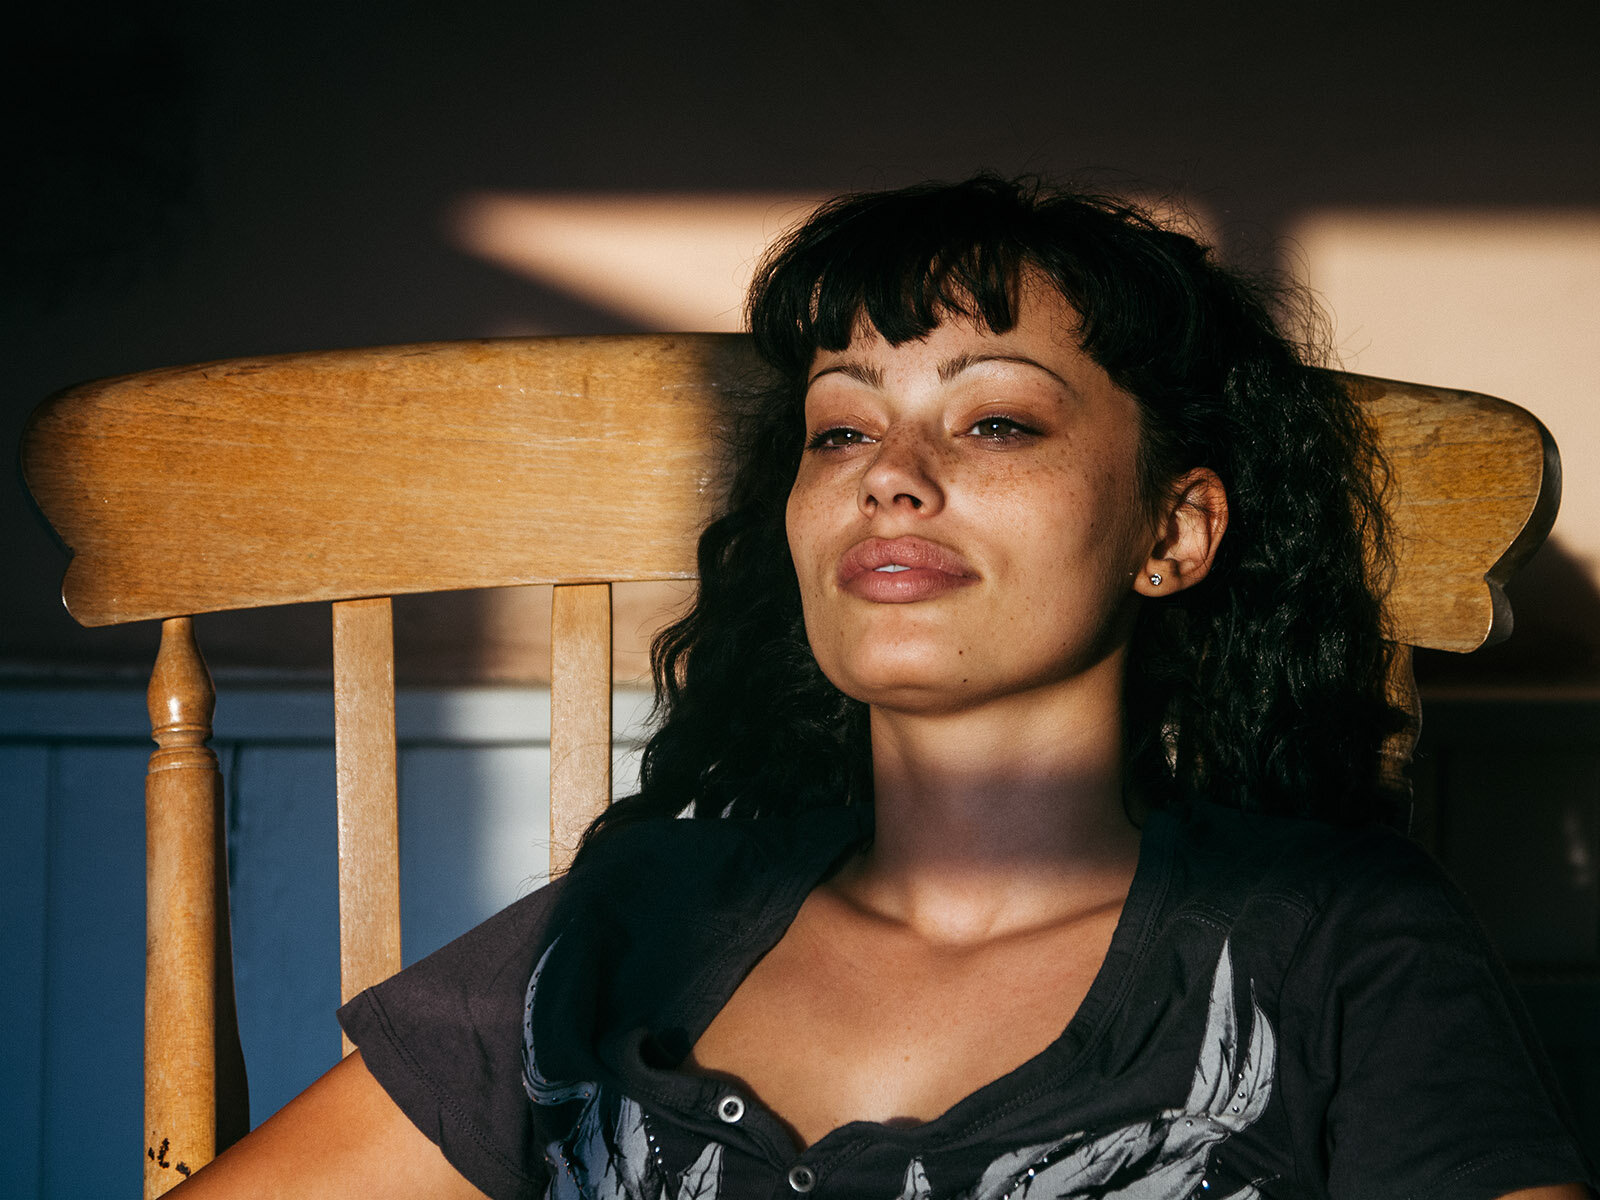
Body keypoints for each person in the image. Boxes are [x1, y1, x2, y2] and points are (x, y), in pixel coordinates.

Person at [174, 177, 1596, 1199]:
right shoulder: (633, 918)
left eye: (998, 421)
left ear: (1173, 532)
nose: (892, 478)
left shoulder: (1332, 941)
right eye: (841, 430)